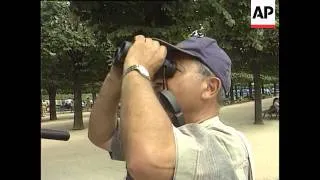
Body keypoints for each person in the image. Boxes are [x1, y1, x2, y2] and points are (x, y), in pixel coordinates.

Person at [88, 35, 254, 180]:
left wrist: (138, 68)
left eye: (170, 69)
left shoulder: (229, 145)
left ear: (210, 87)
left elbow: (146, 162)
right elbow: (102, 136)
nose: (158, 77)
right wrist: (116, 74)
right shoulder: (167, 133)